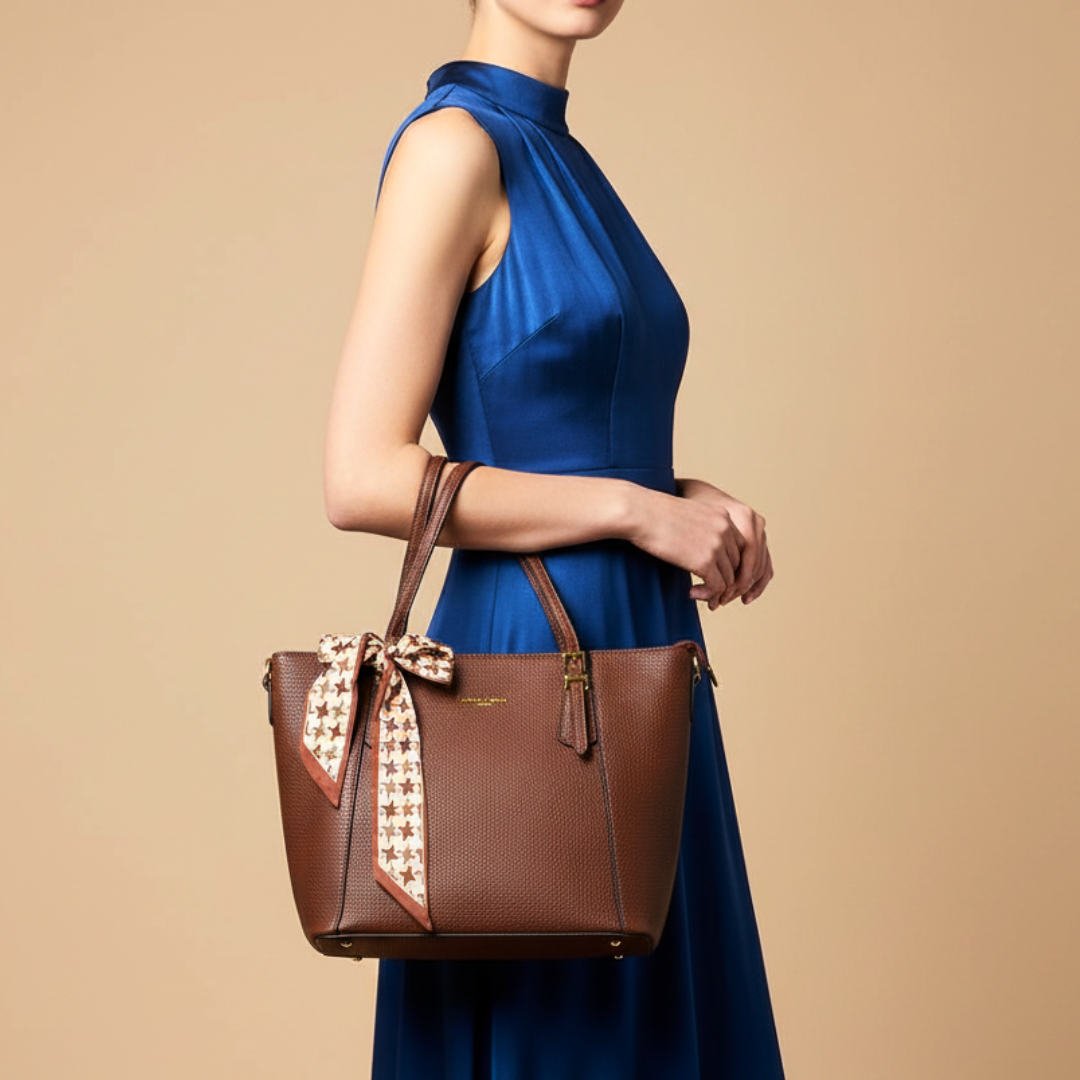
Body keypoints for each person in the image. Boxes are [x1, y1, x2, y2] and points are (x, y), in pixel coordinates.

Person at [322, 1, 784, 1076]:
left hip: (643, 656)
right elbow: (360, 476)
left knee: (653, 1019)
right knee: (566, 1026)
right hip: (535, 664)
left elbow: (557, 417)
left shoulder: (560, 154)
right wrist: (636, 510)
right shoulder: (453, 148)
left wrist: (680, 496)